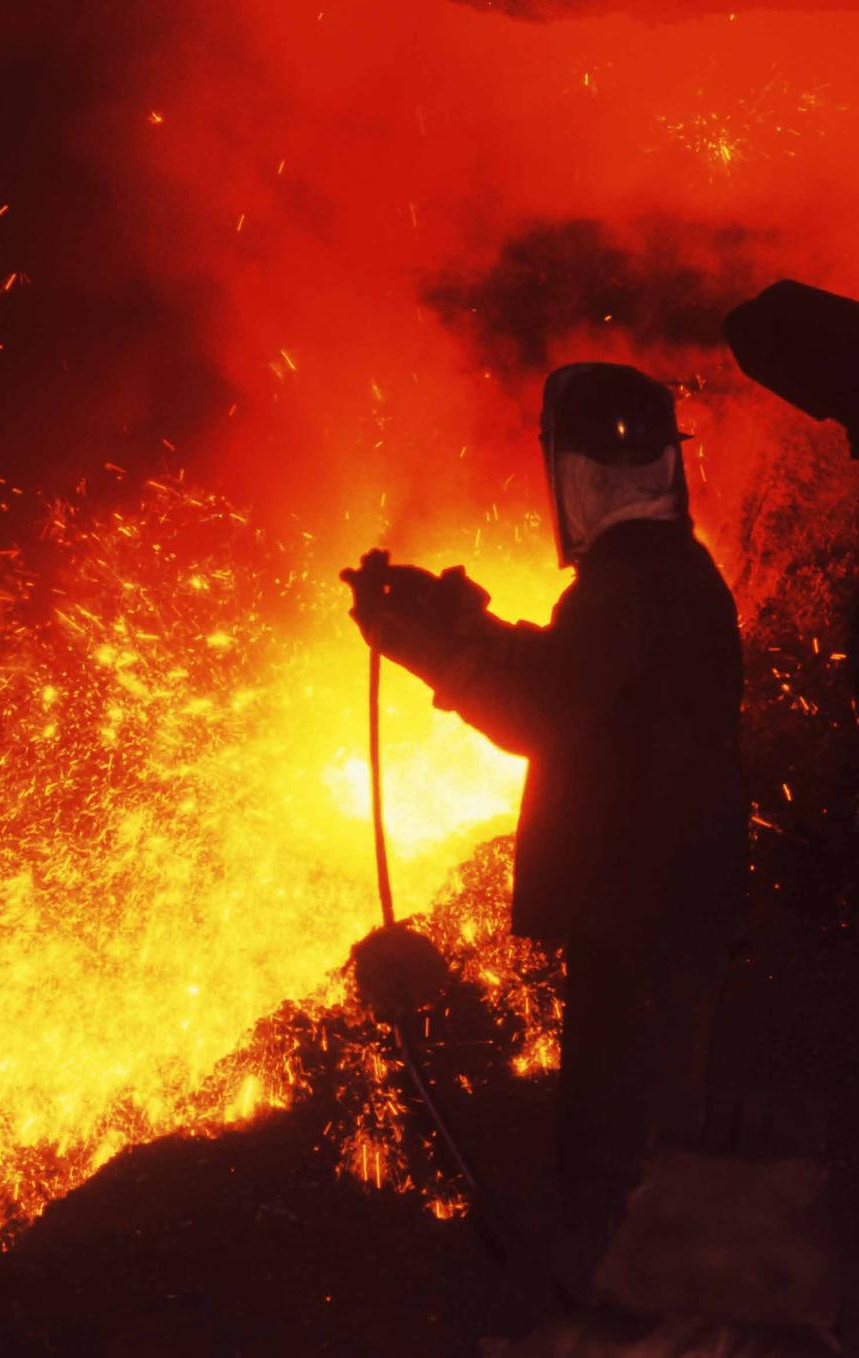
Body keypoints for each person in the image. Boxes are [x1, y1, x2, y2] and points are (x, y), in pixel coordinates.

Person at [342, 362, 749, 1292]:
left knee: (620, 1158)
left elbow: (540, 707)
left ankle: (627, 1315)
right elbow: (583, 682)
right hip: (668, 904)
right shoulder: (667, 575)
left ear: (572, 477)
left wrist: (424, 639)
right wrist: (455, 620)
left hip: (645, 915)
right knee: (645, 1144)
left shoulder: (631, 582)